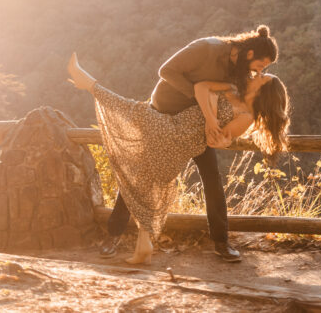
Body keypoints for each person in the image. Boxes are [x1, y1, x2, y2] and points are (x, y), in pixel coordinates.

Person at [71, 25, 283, 262]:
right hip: (167, 113)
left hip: (191, 135)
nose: (257, 73)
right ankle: (115, 234)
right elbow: (171, 73)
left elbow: (221, 133)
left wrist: (211, 123)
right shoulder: (208, 49)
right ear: (251, 54)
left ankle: (220, 242)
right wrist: (207, 114)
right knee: (142, 172)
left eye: (262, 73)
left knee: (211, 179)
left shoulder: (242, 80)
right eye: (262, 68)